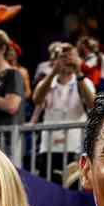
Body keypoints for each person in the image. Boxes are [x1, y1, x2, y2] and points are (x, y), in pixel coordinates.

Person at [33, 42, 96, 185]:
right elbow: (37, 99)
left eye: (70, 57)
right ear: (54, 60)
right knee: (49, 193)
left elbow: (92, 104)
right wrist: (53, 72)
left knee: (73, 192)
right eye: (62, 57)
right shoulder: (47, 82)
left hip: (75, 148)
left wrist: (79, 72)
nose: (66, 61)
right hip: (48, 148)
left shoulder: (84, 81)